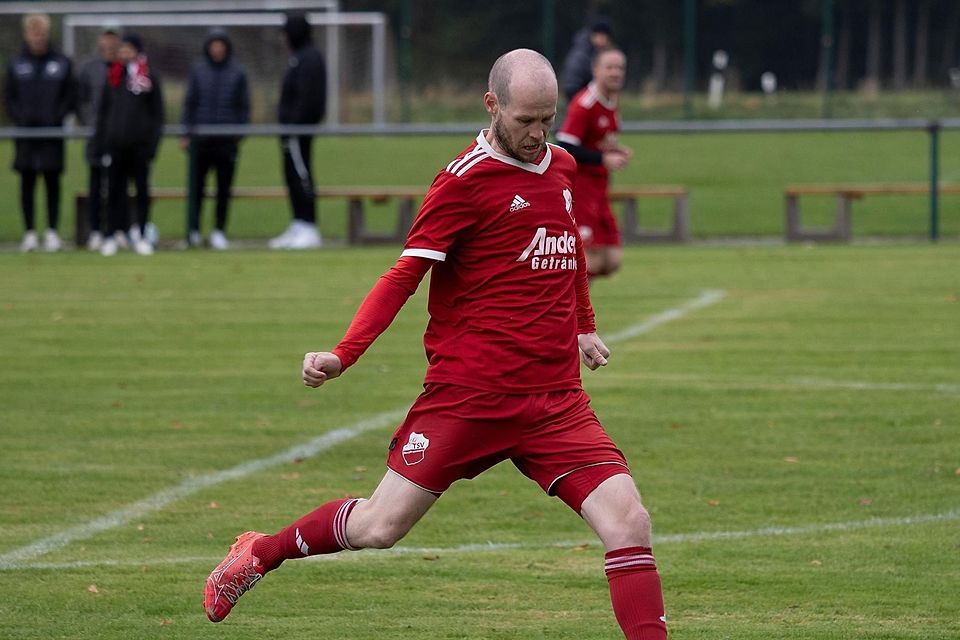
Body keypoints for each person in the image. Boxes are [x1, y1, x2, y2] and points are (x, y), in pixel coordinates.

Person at [204, 49, 667, 640]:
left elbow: (569, 253)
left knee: (629, 521)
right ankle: (261, 552)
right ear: (492, 105)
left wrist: (583, 323)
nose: (538, 133)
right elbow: (403, 275)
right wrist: (344, 353)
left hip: (555, 402)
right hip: (467, 398)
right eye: (525, 119)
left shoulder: (562, 168)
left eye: (546, 119)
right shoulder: (462, 183)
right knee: (379, 526)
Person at [556, 47, 632, 279]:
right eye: (610, 67)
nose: (616, 73)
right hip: (582, 188)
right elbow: (564, 145)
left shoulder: (612, 100)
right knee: (589, 261)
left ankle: (577, 307)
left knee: (611, 259)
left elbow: (595, 141)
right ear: (596, 70)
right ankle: (575, 312)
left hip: (600, 189)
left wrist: (615, 151)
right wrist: (602, 158)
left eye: (620, 68)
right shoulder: (585, 104)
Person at [4, 13, 75, 253]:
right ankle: (30, 233)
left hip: (51, 134)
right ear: (26, 34)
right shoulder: (16, 64)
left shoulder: (62, 63)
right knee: (27, 183)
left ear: (46, 34)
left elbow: (69, 96)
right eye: (32, 32)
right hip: (25, 135)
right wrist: (21, 117)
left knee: (52, 182)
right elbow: (8, 98)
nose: (36, 37)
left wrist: (56, 117)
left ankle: (52, 232)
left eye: (40, 32)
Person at [95, 32, 164, 257]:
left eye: (128, 49)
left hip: (139, 147)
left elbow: (157, 115)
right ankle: (111, 235)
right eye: (121, 49)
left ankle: (142, 235)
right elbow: (103, 114)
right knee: (114, 192)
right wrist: (103, 143)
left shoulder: (148, 77)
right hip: (116, 146)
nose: (124, 53)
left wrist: (151, 145)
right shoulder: (112, 76)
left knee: (142, 192)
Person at [181, 28, 250, 250]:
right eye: (214, 44)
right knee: (196, 188)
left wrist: (239, 133)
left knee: (223, 189)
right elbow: (189, 103)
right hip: (201, 141)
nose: (217, 49)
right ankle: (193, 230)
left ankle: (219, 230)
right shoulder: (198, 70)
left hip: (226, 142)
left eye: (221, 44)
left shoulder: (237, 72)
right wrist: (185, 133)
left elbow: (244, 106)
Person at [268, 12, 327, 250]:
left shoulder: (310, 58)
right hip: (290, 130)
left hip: (299, 130)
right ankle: (299, 222)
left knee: (301, 173)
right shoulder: (298, 57)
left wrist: (295, 123)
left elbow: (308, 98)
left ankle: (309, 226)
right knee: (291, 173)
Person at [75, 21, 121, 252]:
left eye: (114, 37)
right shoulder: (88, 67)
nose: (110, 42)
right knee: (95, 183)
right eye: (106, 37)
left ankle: (119, 229)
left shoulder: (126, 67)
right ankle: (95, 230)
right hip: (95, 136)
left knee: (119, 184)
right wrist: (88, 123)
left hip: (120, 137)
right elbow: (80, 98)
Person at [560, 18, 613, 103]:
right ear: (594, 35)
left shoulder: (594, 52)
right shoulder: (581, 54)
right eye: (602, 36)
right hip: (579, 101)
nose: (604, 40)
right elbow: (571, 85)